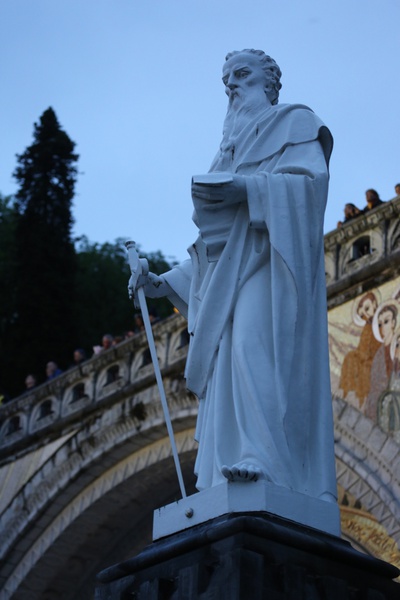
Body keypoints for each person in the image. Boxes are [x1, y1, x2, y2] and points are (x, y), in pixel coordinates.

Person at [134, 49, 337, 503]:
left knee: (251, 347)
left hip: (271, 270)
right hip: (229, 274)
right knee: (229, 366)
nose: (231, 86)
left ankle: (267, 460)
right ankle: (226, 472)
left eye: (241, 75)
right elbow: (215, 247)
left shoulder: (295, 123)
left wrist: (247, 189)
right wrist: (162, 282)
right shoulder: (226, 149)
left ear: (269, 81)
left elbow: (309, 189)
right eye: (226, 80)